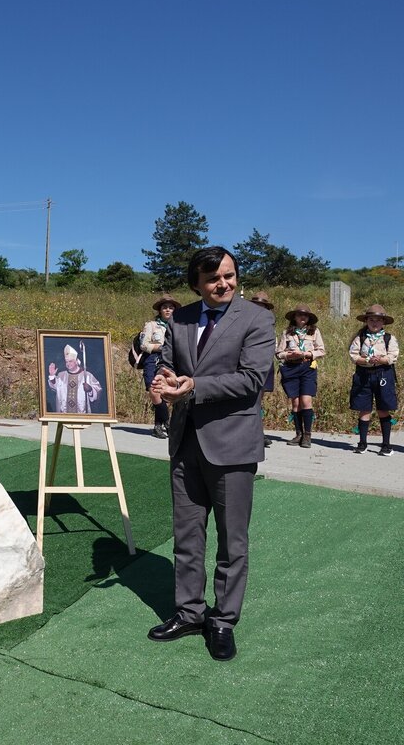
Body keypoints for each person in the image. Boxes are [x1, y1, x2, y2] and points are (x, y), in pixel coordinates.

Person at [149, 246, 275, 661]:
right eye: (213, 278)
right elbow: (168, 363)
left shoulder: (257, 318)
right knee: (187, 535)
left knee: (232, 540)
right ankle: (189, 612)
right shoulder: (180, 318)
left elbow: (252, 378)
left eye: (229, 275)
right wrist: (164, 381)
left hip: (233, 443)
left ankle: (223, 620)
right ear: (197, 284)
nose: (224, 284)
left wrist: (194, 387)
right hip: (186, 441)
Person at [348, 304, 398, 456]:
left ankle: (386, 445)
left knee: (383, 408)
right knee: (364, 408)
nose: (374, 323)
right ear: (366, 321)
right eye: (371, 320)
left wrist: (381, 359)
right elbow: (353, 354)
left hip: (383, 373)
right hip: (364, 374)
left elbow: (393, 355)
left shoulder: (389, 338)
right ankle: (362, 443)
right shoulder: (360, 337)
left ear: (383, 322)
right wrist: (365, 360)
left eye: (378, 320)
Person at [276, 304, 325, 448]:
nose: (302, 317)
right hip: (291, 368)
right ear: (294, 317)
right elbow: (279, 353)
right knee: (296, 402)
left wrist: (307, 354)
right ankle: (299, 434)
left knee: (306, 400)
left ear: (309, 318)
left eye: (305, 315)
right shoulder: (287, 333)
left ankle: (307, 435)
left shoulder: (314, 332)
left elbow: (321, 350)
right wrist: (288, 355)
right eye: (299, 315)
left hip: (307, 367)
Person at [140, 295, 181, 438]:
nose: (168, 310)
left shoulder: (179, 326)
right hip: (153, 359)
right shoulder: (151, 325)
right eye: (165, 307)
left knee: (163, 392)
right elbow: (144, 345)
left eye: (171, 307)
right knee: (153, 390)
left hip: (171, 361)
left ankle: (158, 427)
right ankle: (168, 423)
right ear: (160, 310)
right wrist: (160, 347)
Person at [248, 292, 277, 447]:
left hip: (264, 365)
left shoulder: (270, 324)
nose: (259, 309)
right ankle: (252, 432)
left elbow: (274, 346)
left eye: (262, 306)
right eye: (256, 306)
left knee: (258, 400)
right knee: (249, 400)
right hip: (247, 365)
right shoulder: (244, 322)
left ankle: (257, 432)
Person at [47, 344, 103, 414]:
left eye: (70, 361)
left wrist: (90, 390)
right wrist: (52, 376)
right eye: (66, 361)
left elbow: (98, 390)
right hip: (64, 414)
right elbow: (54, 387)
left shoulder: (87, 375)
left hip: (81, 414)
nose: (68, 364)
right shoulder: (61, 375)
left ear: (76, 361)